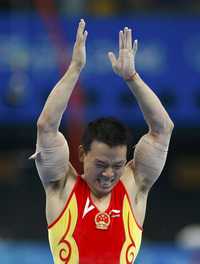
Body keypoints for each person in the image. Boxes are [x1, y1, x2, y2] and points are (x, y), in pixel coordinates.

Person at [30, 19, 174, 263]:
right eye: (101, 164)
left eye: (117, 166)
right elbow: (46, 127)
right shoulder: (62, 187)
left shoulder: (133, 186)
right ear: (83, 154)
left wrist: (132, 78)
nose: (109, 174)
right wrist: (74, 69)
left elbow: (163, 129)